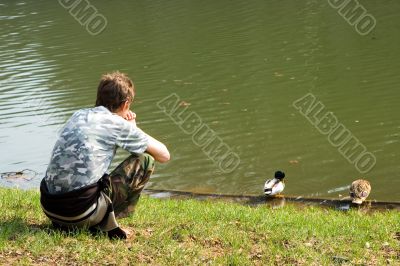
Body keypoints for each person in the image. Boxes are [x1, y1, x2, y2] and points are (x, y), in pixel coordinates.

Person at [40, 71, 170, 239]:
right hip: (80, 213)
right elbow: (164, 155)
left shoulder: (77, 115)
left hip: (50, 208)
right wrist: (132, 128)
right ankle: (105, 223)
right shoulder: (117, 124)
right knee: (145, 160)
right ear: (126, 104)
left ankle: (78, 220)